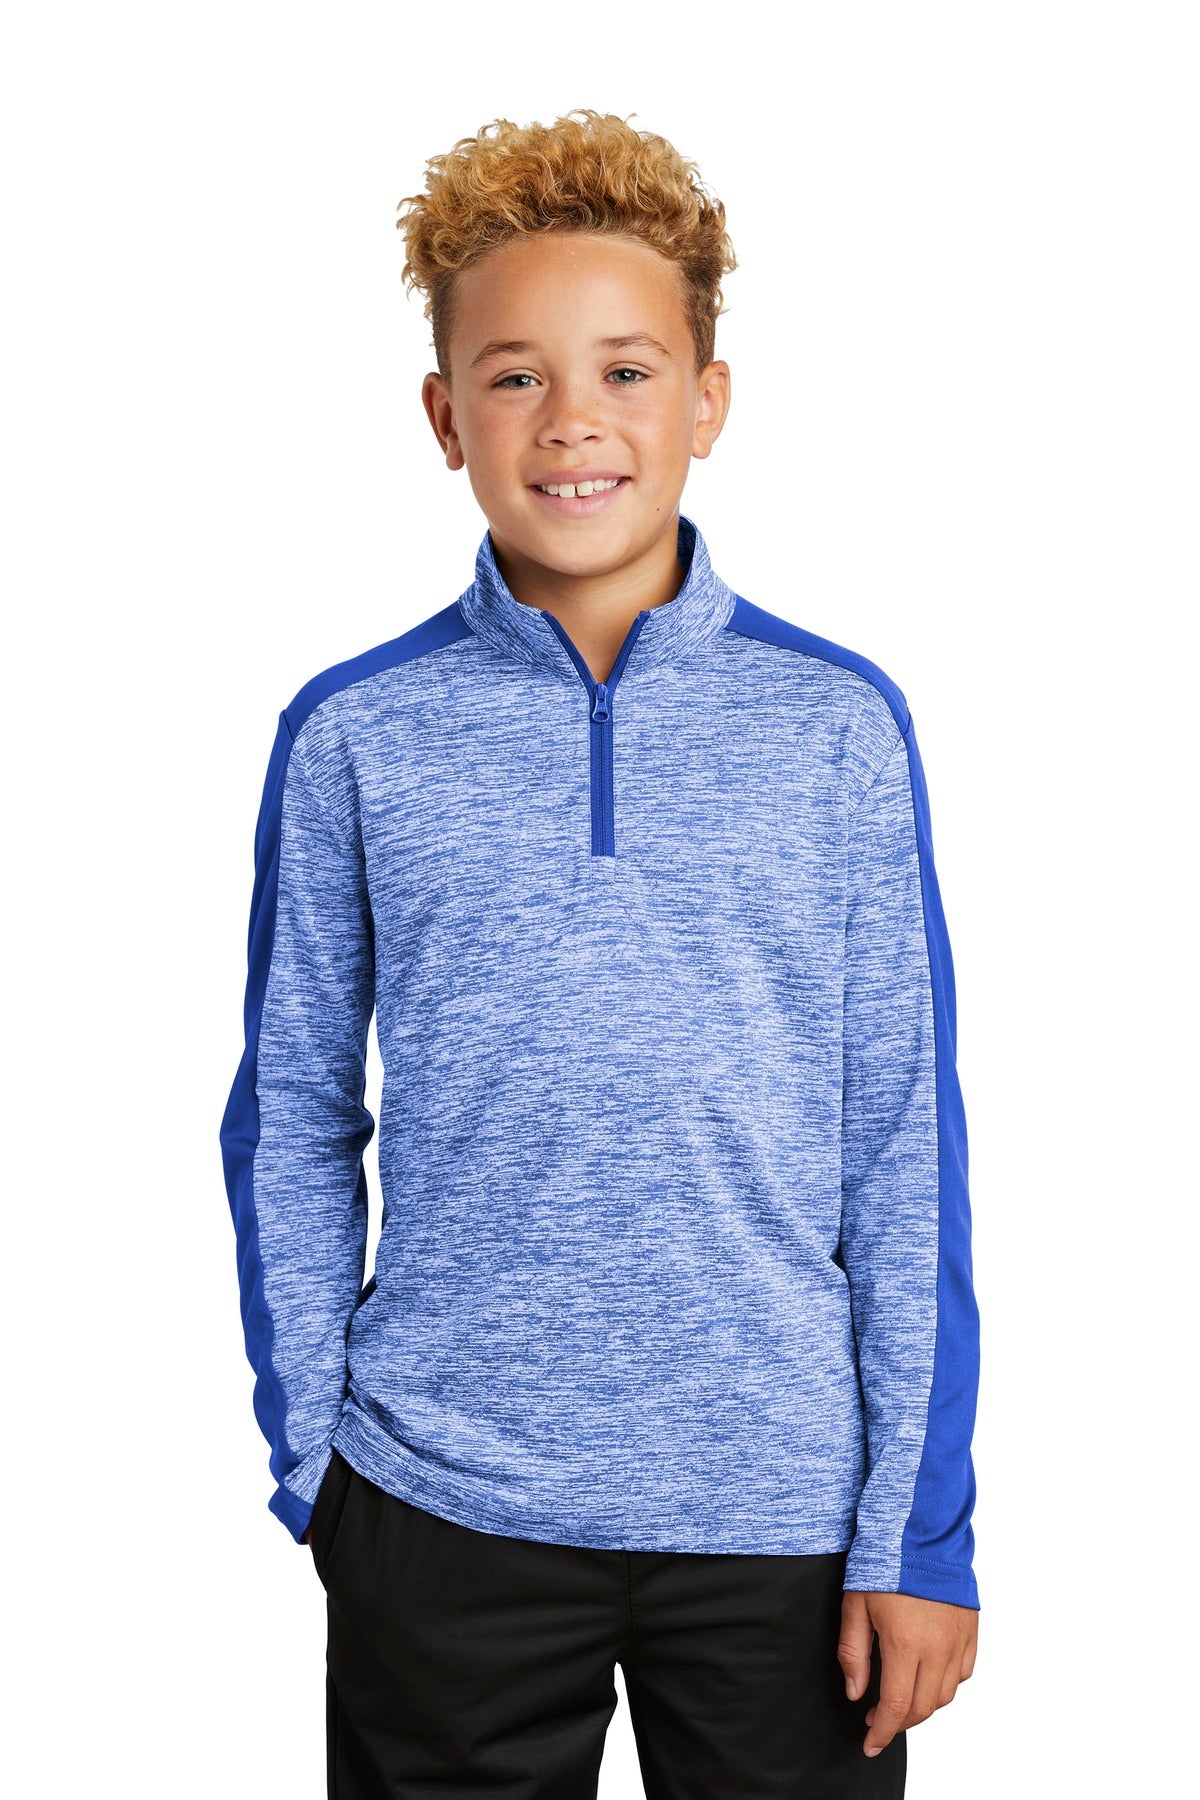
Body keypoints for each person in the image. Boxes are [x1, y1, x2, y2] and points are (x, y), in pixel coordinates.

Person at [220, 108, 981, 1798]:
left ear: (708, 402)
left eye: (627, 372)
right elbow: (291, 1112)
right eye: (516, 377)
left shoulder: (838, 729)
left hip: (785, 1520)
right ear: (445, 417)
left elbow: (900, 1139)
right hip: (444, 1505)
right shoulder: (356, 736)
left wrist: (918, 1531)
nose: (573, 421)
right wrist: (317, 1460)